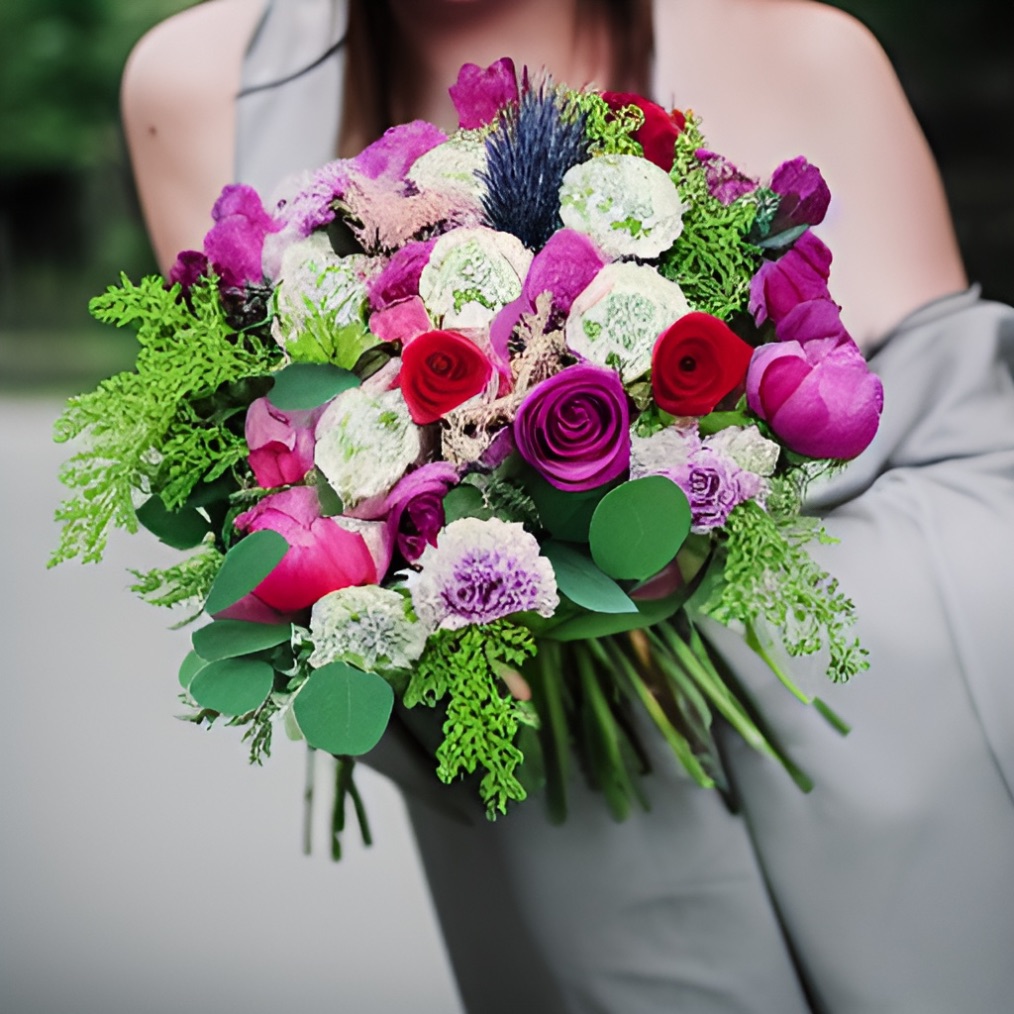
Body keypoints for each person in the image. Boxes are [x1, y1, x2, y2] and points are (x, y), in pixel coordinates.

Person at [121, 2, 1014, 1011]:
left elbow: (972, 475)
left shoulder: (796, 45)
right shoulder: (196, 86)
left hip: (888, 796)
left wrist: (675, 541)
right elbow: (265, 471)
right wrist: (454, 555)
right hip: (539, 799)